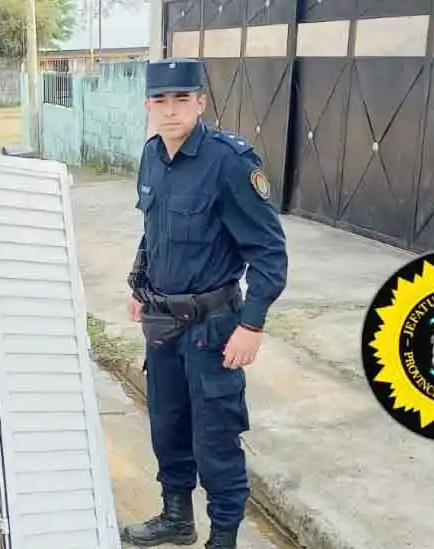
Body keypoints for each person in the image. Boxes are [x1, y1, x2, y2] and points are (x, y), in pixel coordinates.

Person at [121, 58, 288, 549]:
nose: (170, 110)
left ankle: (224, 538)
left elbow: (269, 253)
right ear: (148, 105)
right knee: (167, 429)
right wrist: (140, 286)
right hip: (162, 327)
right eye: (160, 100)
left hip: (213, 330)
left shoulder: (229, 162)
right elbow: (154, 232)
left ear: (200, 102)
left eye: (181, 99)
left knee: (215, 440)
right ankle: (177, 519)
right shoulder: (153, 155)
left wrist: (252, 325)